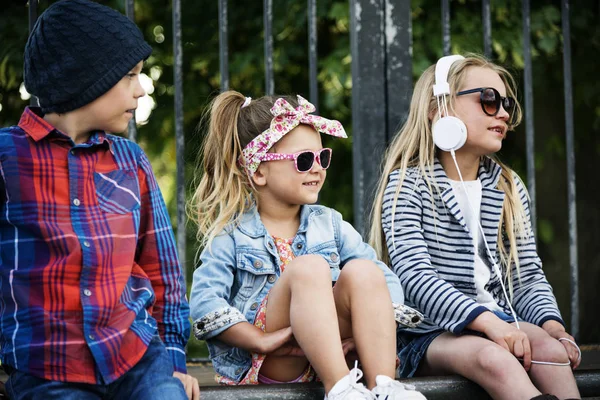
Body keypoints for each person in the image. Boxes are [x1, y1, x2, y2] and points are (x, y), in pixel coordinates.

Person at [0, 1, 199, 399]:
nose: (141, 89)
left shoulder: (132, 161)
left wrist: (175, 359)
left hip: (139, 361)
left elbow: (163, 273)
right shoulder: (7, 159)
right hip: (48, 369)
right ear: (86, 79)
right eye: (130, 76)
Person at [368, 53, 581, 400]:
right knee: (494, 359)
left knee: (551, 352)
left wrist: (553, 328)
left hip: (497, 322)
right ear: (440, 109)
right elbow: (415, 277)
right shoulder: (408, 184)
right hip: (427, 334)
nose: (503, 113)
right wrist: (489, 324)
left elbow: (525, 276)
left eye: (506, 103)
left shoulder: (508, 186)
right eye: (488, 99)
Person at [188, 90, 427, 400]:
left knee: (364, 271)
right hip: (272, 360)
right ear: (258, 170)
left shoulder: (330, 223)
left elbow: (385, 280)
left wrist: (365, 329)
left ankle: (385, 386)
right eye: (303, 160)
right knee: (310, 267)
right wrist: (257, 340)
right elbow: (205, 300)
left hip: (335, 353)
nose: (317, 168)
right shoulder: (232, 235)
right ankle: (340, 389)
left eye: (322, 157)